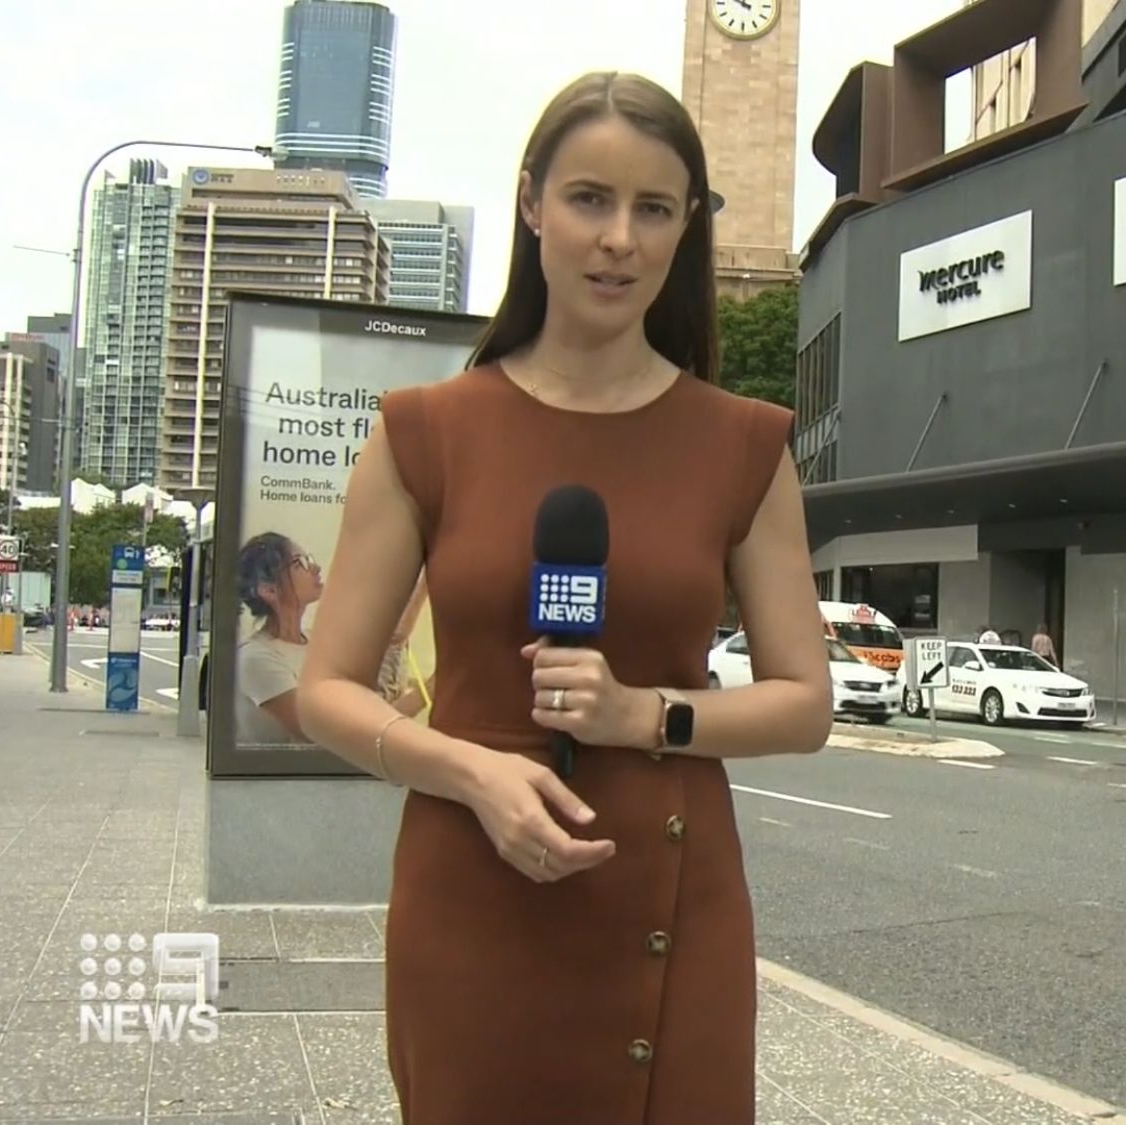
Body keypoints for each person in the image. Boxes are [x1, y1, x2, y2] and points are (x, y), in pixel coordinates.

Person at [293, 71, 833, 1123]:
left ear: (686, 227)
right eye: (590, 199)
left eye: (654, 209)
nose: (619, 239)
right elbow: (327, 691)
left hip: (672, 906)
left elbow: (805, 703)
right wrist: (470, 771)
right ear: (532, 203)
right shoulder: (422, 433)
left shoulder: (745, 446)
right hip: (470, 894)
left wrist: (646, 714)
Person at [233, 532, 325, 745]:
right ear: (269, 590)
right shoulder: (256, 657)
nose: (316, 568)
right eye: (299, 564)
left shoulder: (315, 641)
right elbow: (319, 732)